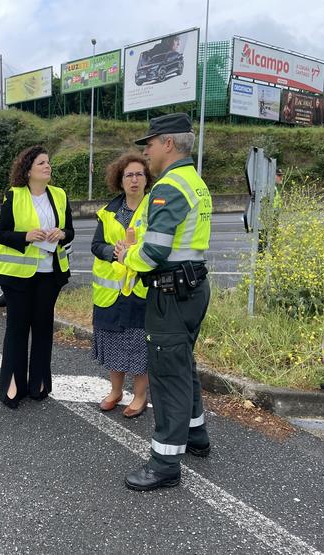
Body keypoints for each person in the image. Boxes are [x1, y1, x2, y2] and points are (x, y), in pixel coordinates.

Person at [116, 113, 212, 491]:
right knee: (182, 363)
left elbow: (153, 252)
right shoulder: (195, 182)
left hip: (171, 294)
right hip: (192, 288)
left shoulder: (168, 187)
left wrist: (126, 256)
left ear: (168, 144)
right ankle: (196, 436)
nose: (147, 151)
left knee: (168, 374)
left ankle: (165, 463)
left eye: (150, 143)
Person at [0, 146, 75, 409]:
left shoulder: (60, 195)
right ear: (28, 170)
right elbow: (2, 234)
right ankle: (12, 385)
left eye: (49, 163)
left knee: (43, 329)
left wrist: (61, 234)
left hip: (49, 274)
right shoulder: (14, 195)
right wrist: (26, 236)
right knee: (17, 329)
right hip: (17, 276)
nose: (47, 166)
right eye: (42, 163)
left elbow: (71, 231)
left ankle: (39, 383)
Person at [91, 153, 152, 418]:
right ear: (120, 179)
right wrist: (112, 252)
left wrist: (134, 252)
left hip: (141, 290)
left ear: (147, 179)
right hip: (112, 292)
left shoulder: (154, 208)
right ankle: (116, 392)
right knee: (114, 342)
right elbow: (96, 246)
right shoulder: (108, 212)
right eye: (129, 175)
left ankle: (139, 397)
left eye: (140, 174)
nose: (134, 180)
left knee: (139, 345)